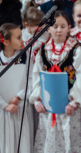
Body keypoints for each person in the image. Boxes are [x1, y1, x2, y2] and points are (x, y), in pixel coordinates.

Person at [29, 11, 81, 153]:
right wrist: (37, 99)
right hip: (48, 107)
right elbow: (36, 75)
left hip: (69, 108)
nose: (59, 30)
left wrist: (74, 101)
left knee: (70, 141)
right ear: (48, 28)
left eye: (63, 26)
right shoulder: (43, 50)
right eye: (55, 26)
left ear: (69, 27)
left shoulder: (75, 49)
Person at [0, 23, 33, 153]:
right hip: (3, 110)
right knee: (5, 143)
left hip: (21, 107)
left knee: (23, 142)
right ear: (6, 41)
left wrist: (19, 96)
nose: (22, 40)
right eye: (18, 37)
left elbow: (31, 80)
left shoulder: (25, 56)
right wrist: (4, 104)